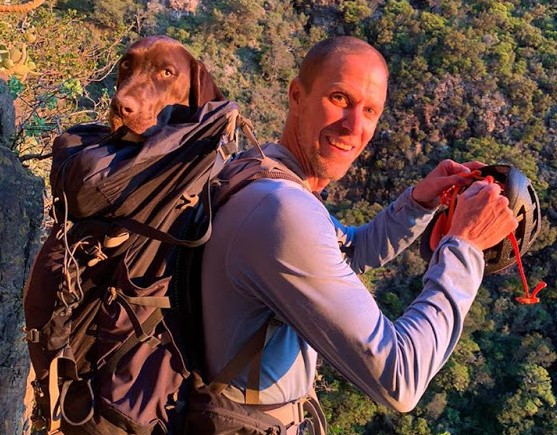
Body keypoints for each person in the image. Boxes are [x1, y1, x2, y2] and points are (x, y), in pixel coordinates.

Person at [193, 36, 518, 433]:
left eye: (370, 110)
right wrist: (464, 246)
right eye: (340, 99)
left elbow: (349, 249)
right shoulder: (282, 211)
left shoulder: (256, 169)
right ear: (297, 95)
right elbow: (401, 378)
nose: (355, 127)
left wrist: (417, 203)